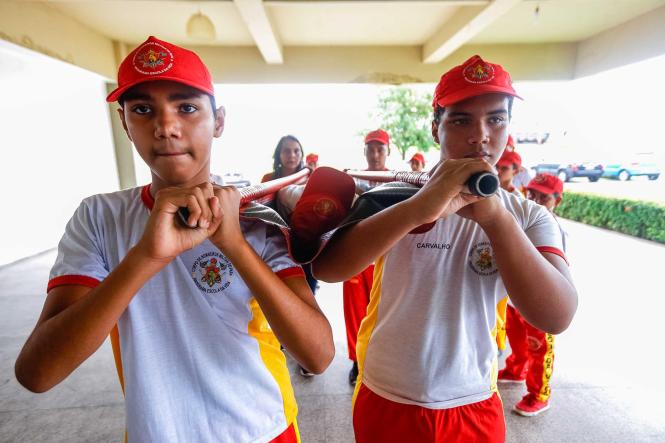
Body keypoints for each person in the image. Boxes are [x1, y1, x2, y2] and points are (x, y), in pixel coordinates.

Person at [14, 36, 334, 443]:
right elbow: (37, 374)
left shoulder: (255, 215)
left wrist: (234, 243)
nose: (166, 127)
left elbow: (318, 355)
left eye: (186, 107)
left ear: (218, 121)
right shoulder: (99, 218)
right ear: (124, 123)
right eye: (143, 109)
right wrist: (146, 257)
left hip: (262, 429)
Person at [313, 55, 578, 442]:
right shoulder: (393, 197)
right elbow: (329, 269)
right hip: (385, 394)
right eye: (461, 120)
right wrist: (420, 207)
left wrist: (496, 219)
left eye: (495, 119)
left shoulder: (528, 216)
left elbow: (556, 315)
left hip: (472, 401)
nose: (480, 135)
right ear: (435, 128)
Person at [498, 173, 566, 417]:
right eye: (532, 193)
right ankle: (516, 370)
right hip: (516, 299)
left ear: (557, 201)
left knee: (540, 348)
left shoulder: (555, 229)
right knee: (517, 341)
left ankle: (539, 394)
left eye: (543, 197)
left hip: (539, 303)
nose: (535, 199)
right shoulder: (522, 218)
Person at [262, 135, 320, 378]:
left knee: (307, 293)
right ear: (279, 155)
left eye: (296, 150)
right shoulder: (268, 180)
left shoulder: (309, 177)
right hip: (276, 246)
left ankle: (309, 351)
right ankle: (285, 338)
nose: (292, 155)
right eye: (287, 151)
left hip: (304, 245)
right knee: (279, 295)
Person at [343, 129, 390, 386]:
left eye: (379, 149)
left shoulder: (401, 181)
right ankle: (356, 360)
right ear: (364, 152)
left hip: (385, 259)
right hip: (354, 257)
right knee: (354, 313)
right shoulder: (356, 180)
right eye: (370, 149)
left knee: (384, 311)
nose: (375, 154)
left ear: (387, 151)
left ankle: (379, 360)